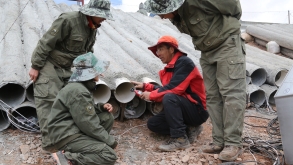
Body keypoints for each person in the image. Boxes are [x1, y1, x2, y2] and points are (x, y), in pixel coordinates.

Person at [144, 0, 246, 161]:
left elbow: (234, 7)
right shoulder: (177, 16)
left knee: (231, 93)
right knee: (213, 96)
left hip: (227, 44)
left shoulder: (196, 2)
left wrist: (224, 28)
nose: (162, 17)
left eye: (162, 12)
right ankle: (219, 141)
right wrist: (146, 87)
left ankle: (233, 143)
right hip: (207, 51)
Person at [28, 0, 113, 151]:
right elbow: (46, 42)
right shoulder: (69, 20)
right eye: (102, 15)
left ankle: (71, 136)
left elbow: (87, 51)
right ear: (92, 12)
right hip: (50, 64)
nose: (104, 19)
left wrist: (93, 68)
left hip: (67, 67)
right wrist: (36, 66)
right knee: (49, 100)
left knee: (73, 97)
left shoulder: (92, 28)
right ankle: (51, 145)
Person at [132, 35, 209, 152]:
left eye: (161, 49)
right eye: (157, 50)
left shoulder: (184, 63)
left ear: (171, 49)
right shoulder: (170, 69)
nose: (158, 53)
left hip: (197, 111)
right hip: (183, 109)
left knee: (169, 98)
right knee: (153, 124)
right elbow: (166, 88)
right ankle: (190, 129)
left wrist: (151, 95)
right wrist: (145, 87)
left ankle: (180, 139)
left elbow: (174, 89)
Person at [47, 52, 117, 165]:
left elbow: (82, 110)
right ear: (90, 72)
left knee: (106, 117)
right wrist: (110, 141)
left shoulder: (80, 87)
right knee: (109, 155)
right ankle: (67, 157)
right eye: (97, 70)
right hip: (66, 135)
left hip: (69, 128)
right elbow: (88, 123)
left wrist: (101, 107)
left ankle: (89, 149)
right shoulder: (79, 91)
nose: (100, 74)